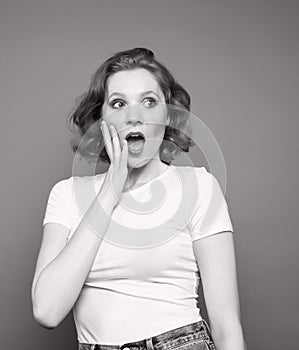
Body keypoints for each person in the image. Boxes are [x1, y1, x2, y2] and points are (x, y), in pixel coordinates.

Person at [31, 48, 247, 350]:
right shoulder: (67, 195)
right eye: (118, 103)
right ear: (100, 119)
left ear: (168, 116)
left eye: (149, 102)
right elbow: (47, 310)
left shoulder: (199, 187)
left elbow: (227, 328)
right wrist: (110, 190)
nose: (134, 116)